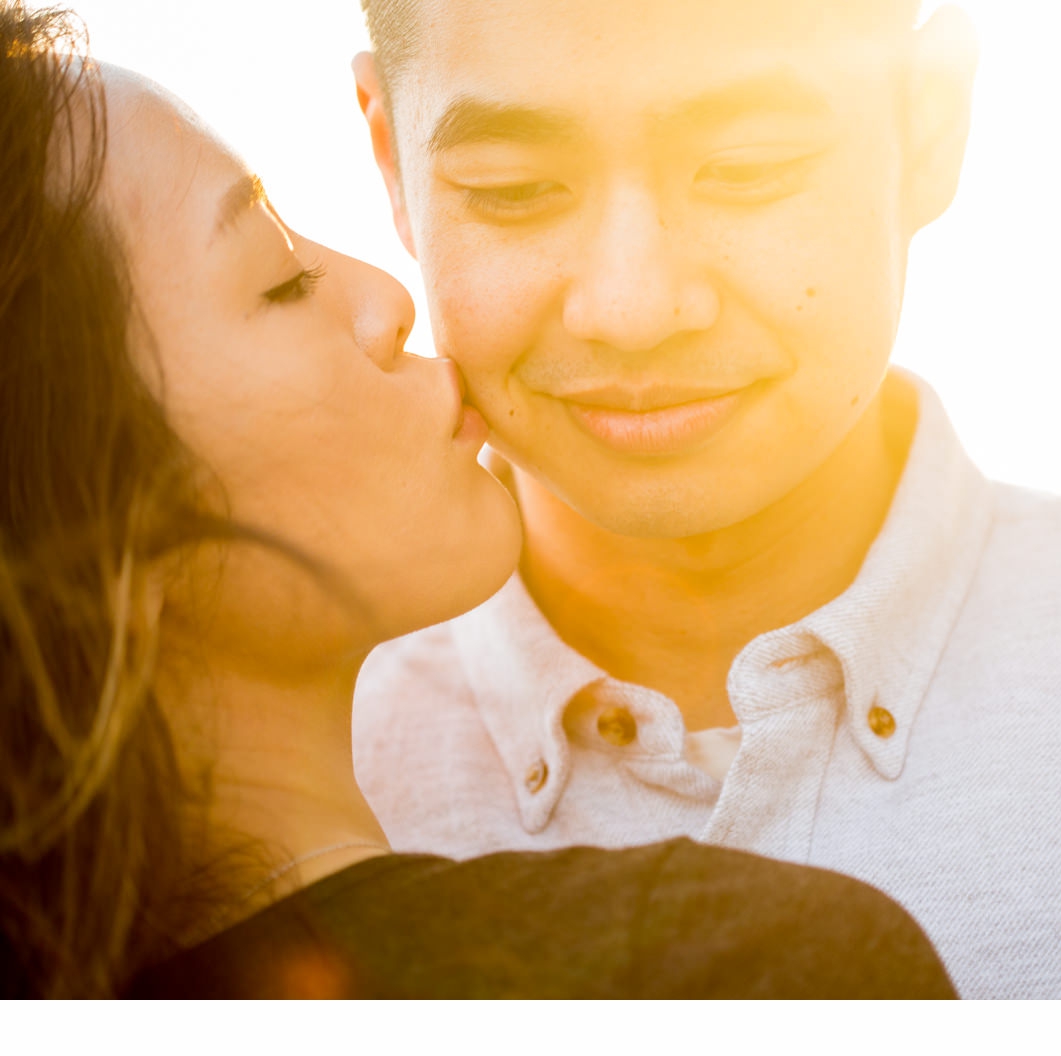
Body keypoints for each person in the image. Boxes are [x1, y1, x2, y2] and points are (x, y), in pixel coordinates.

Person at [350, 0, 1061, 999]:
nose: (636, 305)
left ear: (931, 120)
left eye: (748, 166)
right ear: (390, 162)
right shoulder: (252, 802)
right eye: (513, 190)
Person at [0, 3, 956, 999]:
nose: (385, 297)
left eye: (750, 166)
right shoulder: (745, 967)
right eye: (282, 282)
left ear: (932, 123)